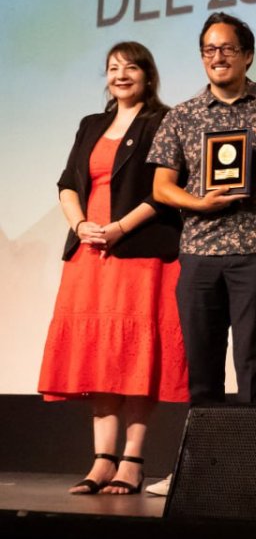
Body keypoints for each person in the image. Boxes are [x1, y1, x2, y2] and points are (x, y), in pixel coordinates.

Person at [145, 13, 256, 495]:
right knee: (202, 367)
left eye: (226, 49)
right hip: (198, 255)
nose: (217, 57)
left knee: (254, 368)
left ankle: (249, 467)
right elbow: (161, 186)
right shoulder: (183, 114)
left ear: (247, 55)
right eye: (208, 50)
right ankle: (199, 468)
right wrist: (198, 202)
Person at [38, 42, 188, 495]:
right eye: (112, 68)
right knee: (101, 353)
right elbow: (68, 184)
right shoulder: (91, 125)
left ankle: (133, 461)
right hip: (90, 251)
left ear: (148, 74)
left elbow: (166, 187)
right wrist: (81, 224)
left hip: (139, 249)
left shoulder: (161, 120)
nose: (121, 75)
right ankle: (102, 460)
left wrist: (120, 227)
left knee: (135, 354)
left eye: (131, 67)